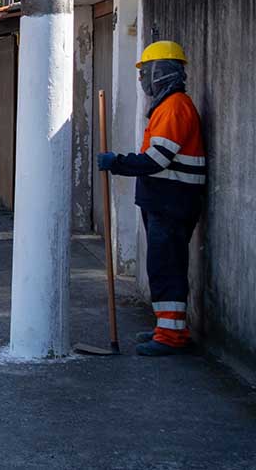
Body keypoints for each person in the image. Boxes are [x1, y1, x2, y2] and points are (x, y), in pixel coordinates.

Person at [98, 41, 205, 357]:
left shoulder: (174, 107)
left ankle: (171, 337)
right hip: (165, 201)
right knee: (162, 266)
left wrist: (117, 162)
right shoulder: (167, 106)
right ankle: (169, 328)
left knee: (166, 267)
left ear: (161, 73)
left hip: (172, 203)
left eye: (146, 73)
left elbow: (156, 159)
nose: (143, 80)